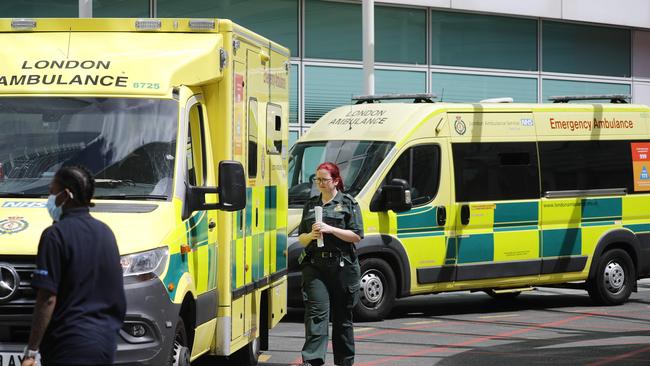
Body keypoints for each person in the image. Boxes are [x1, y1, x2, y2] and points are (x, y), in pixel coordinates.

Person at [22, 166, 126, 366]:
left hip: (68, 345)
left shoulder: (55, 235)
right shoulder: (106, 233)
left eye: (52, 192)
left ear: (66, 195)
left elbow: (47, 299)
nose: (50, 199)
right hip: (103, 345)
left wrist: (31, 351)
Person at [297, 162, 364, 366]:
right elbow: (301, 237)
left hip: (342, 267)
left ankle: (344, 362)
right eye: (317, 179)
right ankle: (312, 361)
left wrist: (331, 229)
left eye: (324, 180)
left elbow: (357, 236)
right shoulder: (311, 205)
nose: (320, 183)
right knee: (316, 317)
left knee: (343, 320)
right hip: (315, 267)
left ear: (335, 181)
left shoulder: (348, 203)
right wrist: (311, 235)